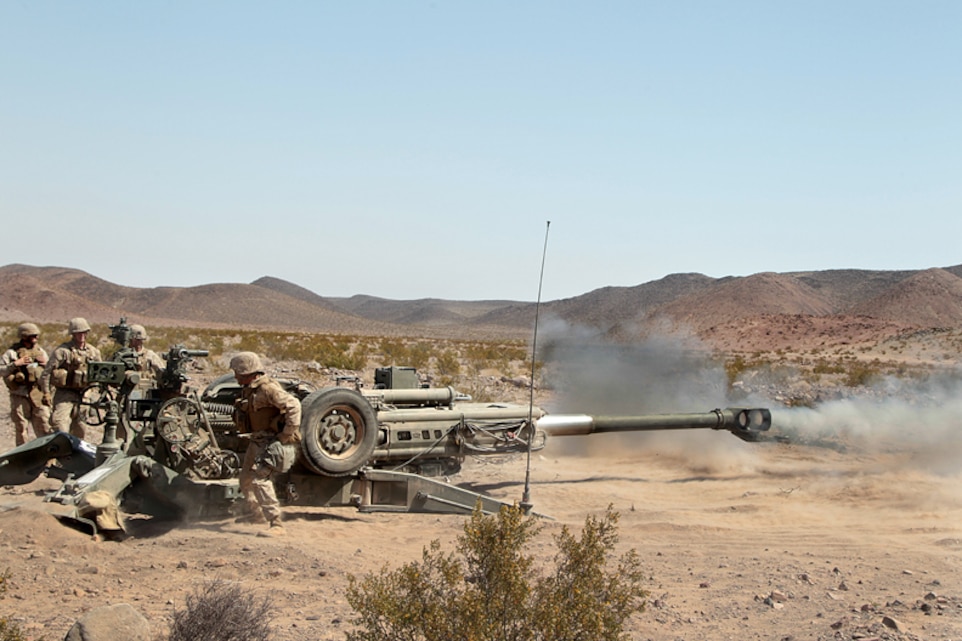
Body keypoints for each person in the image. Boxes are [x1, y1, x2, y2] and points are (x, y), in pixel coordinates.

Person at [230, 351, 301, 536]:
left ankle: (276, 524)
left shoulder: (268, 389)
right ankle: (256, 514)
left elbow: (294, 406)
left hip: (270, 443)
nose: (235, 376)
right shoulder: (250, 389)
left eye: (237, 372)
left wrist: (286, 434)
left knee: (260, 480)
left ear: (246, 372)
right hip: (257, 440)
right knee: (245, 479)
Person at [43, 317, 103, 439]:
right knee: (60, 427)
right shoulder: (62, 351)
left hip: (84, 395)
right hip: (64, 394)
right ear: (73, 334)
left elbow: (101, 373)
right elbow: (46, 373)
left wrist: (101, 392)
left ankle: (77, 456)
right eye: (78, 333)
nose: (81, 336)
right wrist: (46, 393)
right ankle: (58, 455)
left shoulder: (94, 352)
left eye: (83, 332)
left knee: (80, 430)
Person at [1, 322, 51, 446]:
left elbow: (51, 372)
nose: (36, 338)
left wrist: (45, 364)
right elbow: (1, 370)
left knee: (45, 426)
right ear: (24, 336)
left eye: (36, 335)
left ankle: (46, 459)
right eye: (32, 335)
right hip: (19, 395)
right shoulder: (11, 353)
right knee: (21, 428)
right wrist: (15, 364)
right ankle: (22, 459)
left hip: (37, 394)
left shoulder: (40, 352)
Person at [128, 324, 165, 389]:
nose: (139, 343)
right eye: (136, 340)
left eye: (140, 340)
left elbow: (162, 370)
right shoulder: (122, 355)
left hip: (145, 389)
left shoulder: (149, 354)